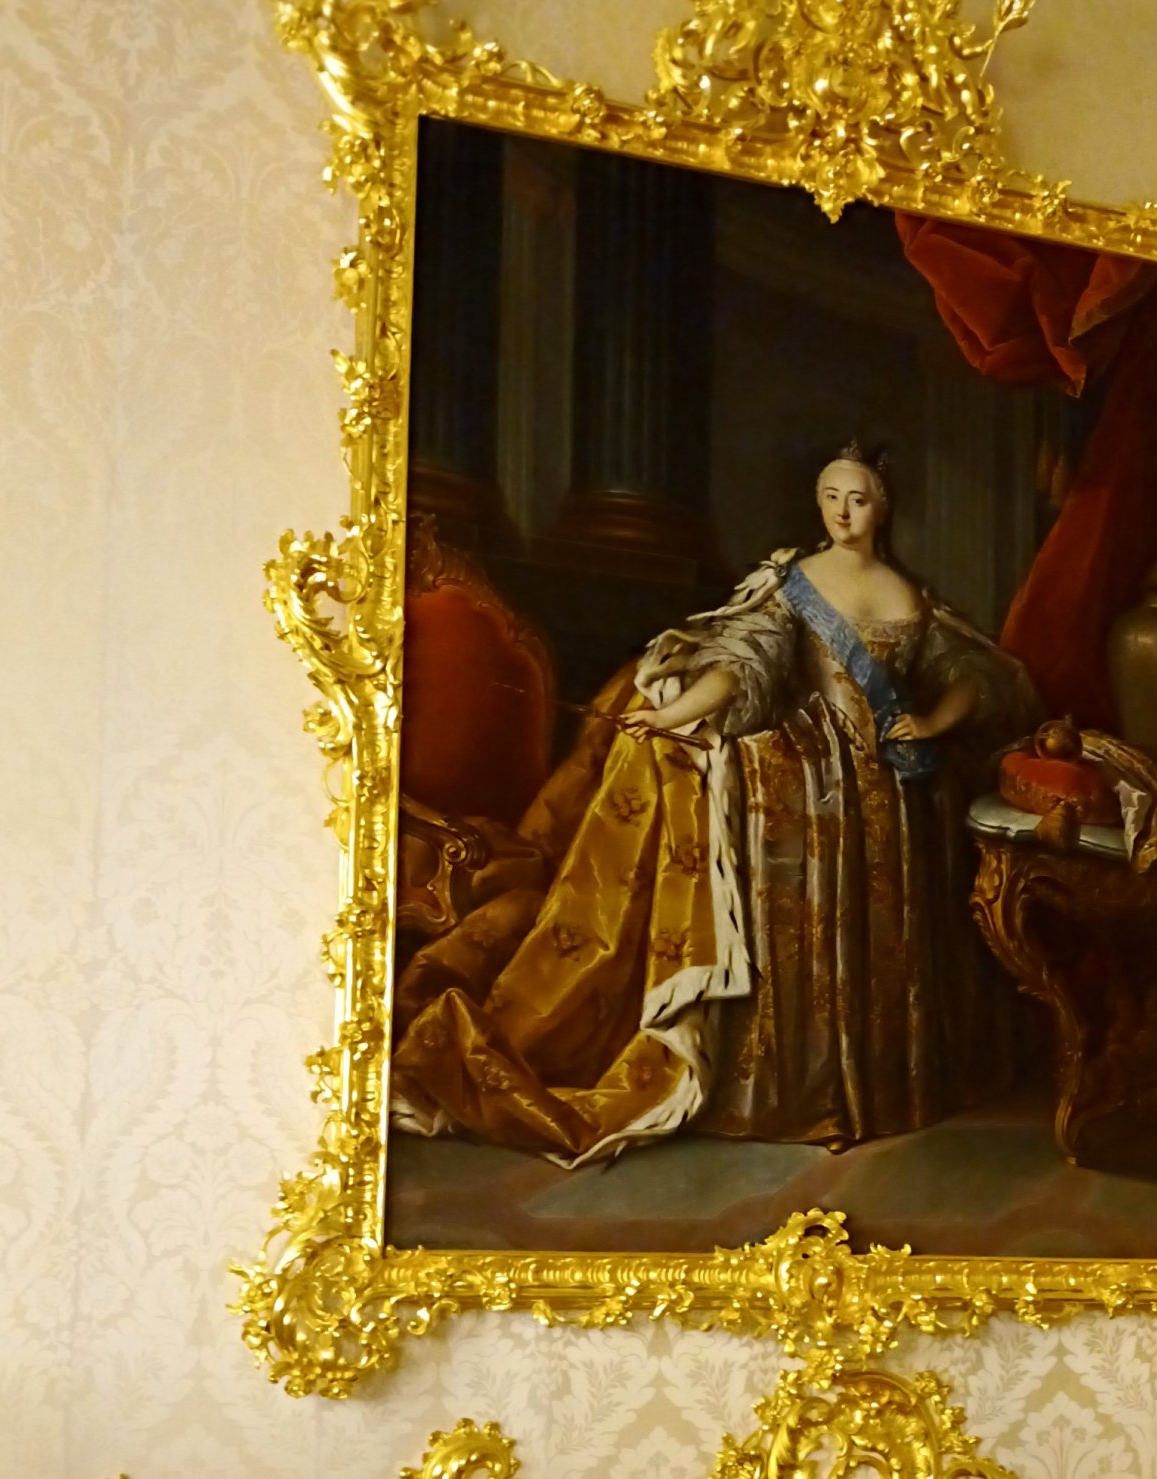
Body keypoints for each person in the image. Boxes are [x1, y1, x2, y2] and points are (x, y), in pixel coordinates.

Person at [391, 443, 1036, 1160]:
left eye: (857, 499)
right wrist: (672, 715)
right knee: (769, 815)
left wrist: (934, 721)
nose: (842, 512)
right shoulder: (795, 581)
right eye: (830, 496)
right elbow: (745, 663)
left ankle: (878, 1087)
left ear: (881, 508)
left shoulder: (912, 596)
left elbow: (969, 673)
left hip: (890, 783)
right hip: (811, 760)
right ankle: (792, 1090)